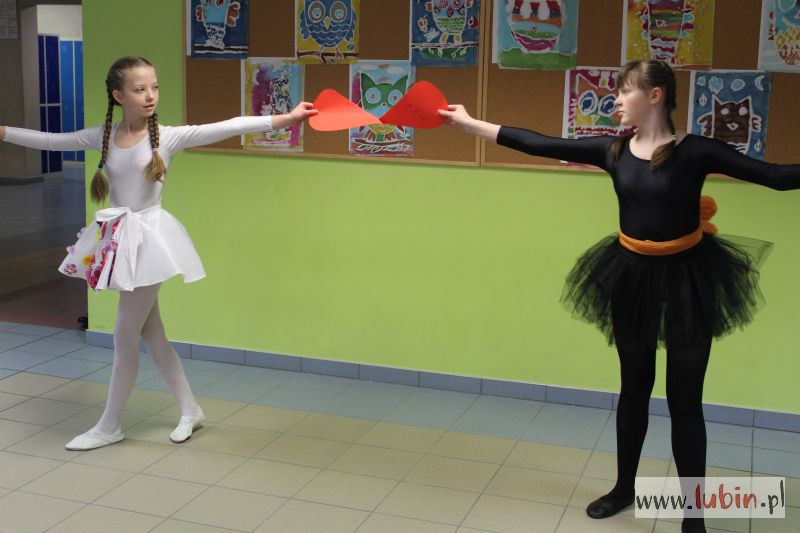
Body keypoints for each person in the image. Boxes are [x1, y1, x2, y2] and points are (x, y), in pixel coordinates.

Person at [439, 59, 800, 533]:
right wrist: (471, 124)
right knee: (633, 391)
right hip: (632, 276)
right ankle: (624, 488)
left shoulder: (696, 152)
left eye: (624, 91)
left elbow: (776, 175)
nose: (616, 101)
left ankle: (693, 514)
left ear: (654, 95)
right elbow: (541, 143)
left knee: (685, 402)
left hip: (689, 279)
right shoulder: (613, 150)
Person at [0, 56, 316, 451]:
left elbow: (228, 126)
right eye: (139, 89)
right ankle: (190, 409)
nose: (150, 96)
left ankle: (109, 426)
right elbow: (50, 140)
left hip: (149, 243)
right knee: (153, 335)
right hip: (120, 239)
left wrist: (285, 119)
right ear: (118, 95)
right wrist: (4, 131)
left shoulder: (168, 137)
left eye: (154, 87)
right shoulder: (103, 136)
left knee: (123, 336)